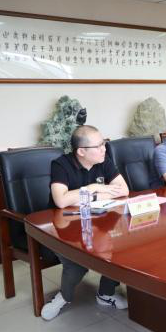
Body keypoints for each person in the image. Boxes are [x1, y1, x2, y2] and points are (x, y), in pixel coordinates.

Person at [42, 125, 130, 321]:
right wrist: (92, 188)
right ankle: (63, 297)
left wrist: (92, 194)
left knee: (118, 252)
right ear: (81, 151)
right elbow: (61, 201)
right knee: (76, 264)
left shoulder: (103, 160)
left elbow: (123, 190)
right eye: (98, 146)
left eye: (104, 144)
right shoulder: (61, 164)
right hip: (63, 227)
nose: (104, 149)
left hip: (96, 223)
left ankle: (105, 294)